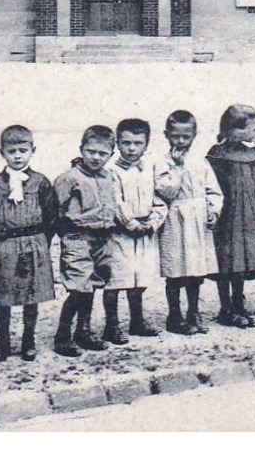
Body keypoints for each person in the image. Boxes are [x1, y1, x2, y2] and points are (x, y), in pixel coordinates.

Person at [0, 125, 58, 362]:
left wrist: (42, 242)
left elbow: (52, 217)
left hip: (34, 245)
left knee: (31, 297)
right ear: (3, 153)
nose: (18, 155)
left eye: (23, 150)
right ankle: (3, 342)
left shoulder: (41, 183)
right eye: (12, 151)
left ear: (33, 150)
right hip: (4, 246)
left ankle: (28, 340)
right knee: (4, 298)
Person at [53, 125, 119, 357]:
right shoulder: (69, 178)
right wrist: (67, 235)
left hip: (102, 238)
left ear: (111, 154)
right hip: (77, 237)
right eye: (91, 151)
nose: (96, 157)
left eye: (102, 153)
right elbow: (55, 211)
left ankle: (83, 331)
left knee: (92, 286)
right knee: (78, 288)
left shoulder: (109, 177)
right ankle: (62, 337)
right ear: (81, 149)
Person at [156, 110, 221, 335]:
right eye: (176, 137)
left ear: (194, 135)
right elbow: (167, 191)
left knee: (196, 271)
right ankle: (174, 315)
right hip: (175, 220)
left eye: (186, 136)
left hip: (198, 221)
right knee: (175, 272)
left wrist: (213, 210)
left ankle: (194, 312)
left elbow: (213, 190)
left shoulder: (200, 162)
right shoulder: (163, 163)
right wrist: (177, 168)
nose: (181, 141)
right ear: (167, 135)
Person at [103, 118, 165, 344]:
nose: (131, 148)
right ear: (117, 143)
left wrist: (154, 221)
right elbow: (115, 201)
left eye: (137, 143)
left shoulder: (149, 168)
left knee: (140, 279)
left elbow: (159, 198)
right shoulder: (110, 171)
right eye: (126, 143)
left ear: (146, 144)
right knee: (116, 280)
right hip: (119, 233)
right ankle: (111, 325)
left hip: (145, 231)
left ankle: (137, 321)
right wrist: (131, 224)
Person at [206, 105, 255, 328]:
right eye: (254, 129)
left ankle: (239, 306)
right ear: (236, 130)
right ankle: (226, 308)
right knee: (226, 263)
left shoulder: (251, 155)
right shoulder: (217, 155)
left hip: (248, 216)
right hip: (227, 218)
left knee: (242, 261)